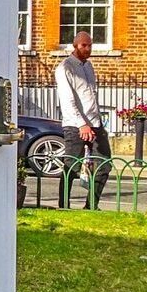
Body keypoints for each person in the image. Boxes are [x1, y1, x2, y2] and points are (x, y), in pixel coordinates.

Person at [55, 31, 111, 207]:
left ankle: (91, 205)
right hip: (75, 124)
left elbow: (91, 96)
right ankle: (64, 205)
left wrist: (97, 121)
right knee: (71, 166)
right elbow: (67, 100)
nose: (87, 49)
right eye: (83, 45)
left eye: (89, 45)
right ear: (75, 45)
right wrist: (82, 124)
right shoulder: (65, 68)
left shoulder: (88, 66)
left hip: (95, 122)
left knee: (104, 164)